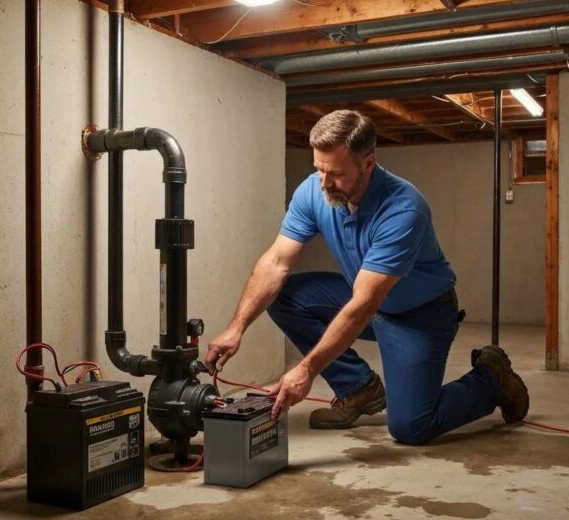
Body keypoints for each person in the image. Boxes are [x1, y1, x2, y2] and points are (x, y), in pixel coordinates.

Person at [203, 109, 529, 445]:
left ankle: (493, 378)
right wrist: (236, 327)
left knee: (411, 427)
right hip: (367, 298)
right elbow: (275, 262)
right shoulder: (314, 190)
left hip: (418, 313)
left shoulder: (404, 209)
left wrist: (306, 370)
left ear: (368, 164)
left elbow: (362, 304)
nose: (324, 182)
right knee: (284, 295)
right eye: (319, 169)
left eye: (337, 173)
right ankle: (358, 387)